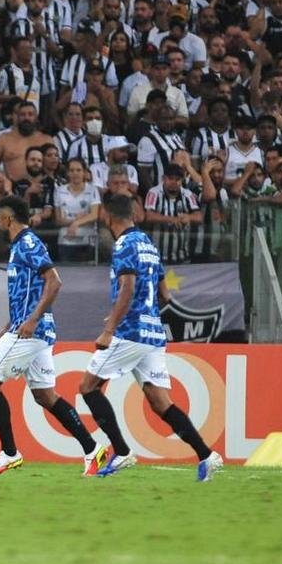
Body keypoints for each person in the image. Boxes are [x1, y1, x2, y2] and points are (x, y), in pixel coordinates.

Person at [78, 194, 224, 481]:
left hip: (129, 331)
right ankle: (207, 455)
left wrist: (110, 328)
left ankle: (121, 452)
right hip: (153, 332)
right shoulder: (148, 244)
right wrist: (143, 313)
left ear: (108, 216)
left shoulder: (124, 244)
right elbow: (165, 294)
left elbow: (128, 287)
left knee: (88, 387)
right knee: (160, 402)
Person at [0, 197, 109, 476]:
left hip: (31, 331)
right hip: (32, 329)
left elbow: (54, 281)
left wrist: (32, 320)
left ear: (8, 219)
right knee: (45, 396)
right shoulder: (20, 246)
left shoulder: (27, 243)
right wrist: (10, 322)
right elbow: (28, 293)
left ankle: (9, 453)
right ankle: (92, 449)